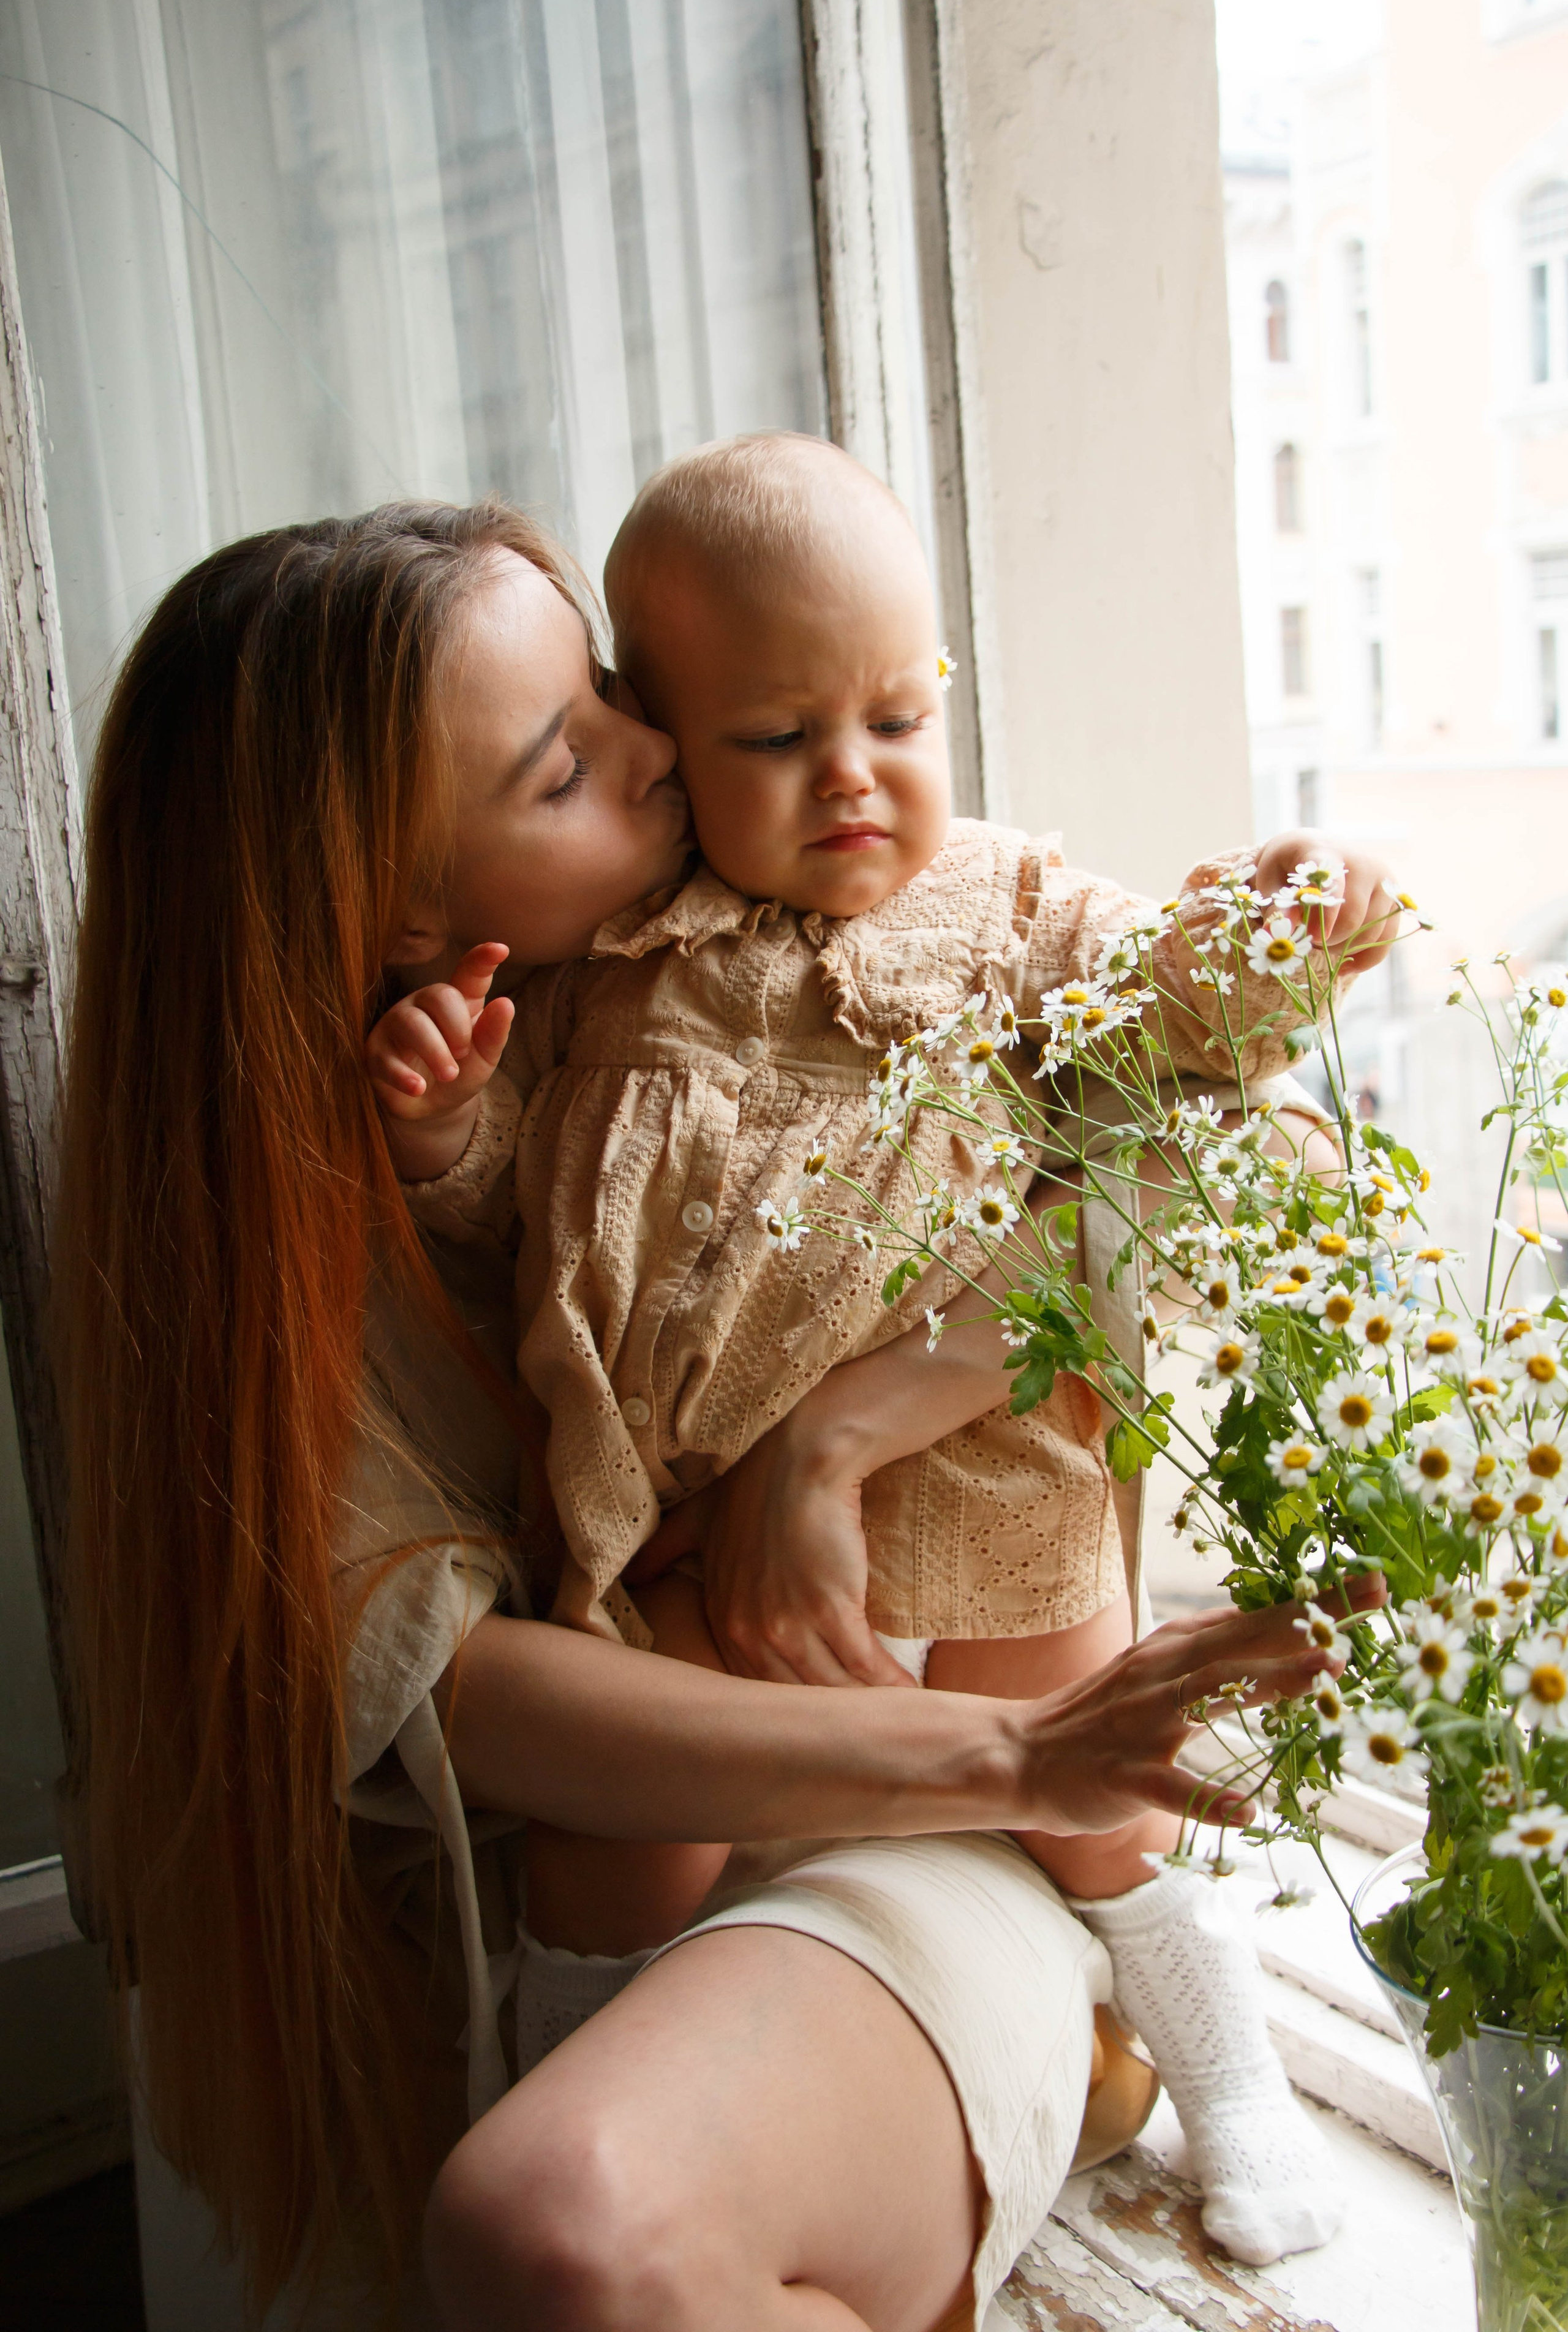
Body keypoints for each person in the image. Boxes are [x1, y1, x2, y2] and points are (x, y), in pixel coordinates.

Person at [56, 498, 1373, 2332]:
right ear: (404, 905)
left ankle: (1139, 2040)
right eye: (572, 759)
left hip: (928, 1781)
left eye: (610, 693)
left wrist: (849, 1428)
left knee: (569, 2233)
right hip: (671, 1852)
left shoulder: (911, 918)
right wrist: (439, 1140)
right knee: (528, 2226)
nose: (670, 745)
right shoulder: (504, 1078)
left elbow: (1246, 1140)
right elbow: (459, 1679)